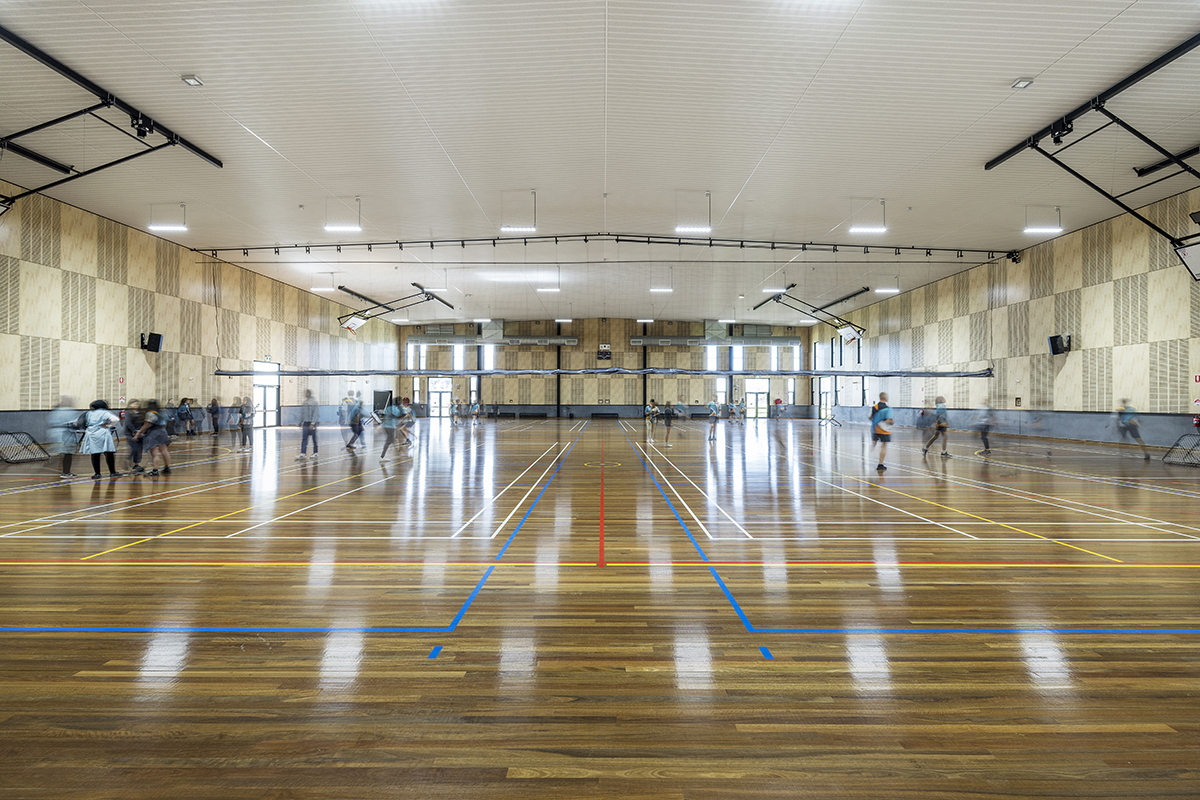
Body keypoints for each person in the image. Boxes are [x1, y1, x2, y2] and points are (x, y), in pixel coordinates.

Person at [80, 399, 122, 479]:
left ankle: (97, 473)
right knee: (109, 453)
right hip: (102, 432)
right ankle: (112, 472)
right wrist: (108, 425)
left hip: (91, 433)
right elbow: (115, 419)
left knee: (95, 454)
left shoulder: (89, 413)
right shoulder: (104, 412)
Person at [133, 399, 172, 476]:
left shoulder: (150, 413)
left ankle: (155, 470)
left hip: (154, 432)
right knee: (164, 450)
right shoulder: (162, 412)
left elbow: (148, 424)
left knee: (154, 452)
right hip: (163, 431)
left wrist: (139, 432)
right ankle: (167, 467)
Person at [46, 396, 80, 479]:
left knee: (61, 453)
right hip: (66, 434)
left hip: (54, 433)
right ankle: (66, 472)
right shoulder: (71, 411)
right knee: (68, 454)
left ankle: (61, 469)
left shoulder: (55, 411)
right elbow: (75, 423)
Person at [869, 391, 895, 472]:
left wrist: (876, 421)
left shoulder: (874, 407)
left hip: (874, 428)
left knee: (874, 442)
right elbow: (889, 420)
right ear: (885, 398)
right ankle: (880, 464)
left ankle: (867, 455)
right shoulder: (887, 408)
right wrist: (891, 422)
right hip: (883, 429)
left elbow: (870, 417)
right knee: (883, 446)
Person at [296, 389, 320, 460]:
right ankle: (303, 453)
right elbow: (302, 413)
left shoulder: (314, 402)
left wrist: (313, 423)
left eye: (306, 393)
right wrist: (300, 421)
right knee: (304, 438)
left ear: (309, 394)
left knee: (314, 438)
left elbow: (316, 414)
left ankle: (315, 452)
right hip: (306, 422)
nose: (305, 394)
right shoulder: (304, 403)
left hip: (312, 423)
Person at [124, 399, 146, 473]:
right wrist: (134, 431)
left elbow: (144, 422)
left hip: (140, 433)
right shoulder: (128, 412)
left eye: (137, 404)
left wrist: (141, 431)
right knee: (135, 448)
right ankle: (127, 460)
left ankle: (136, 464)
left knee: (139, 449)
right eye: (134, 404)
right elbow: (128, 423)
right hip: (130, 433)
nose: (136, 405)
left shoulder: (141, 413)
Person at [379, 395, 402, 460]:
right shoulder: (396, 409)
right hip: (391, 427)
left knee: (392, 440)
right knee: (389, 441)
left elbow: (384, 415)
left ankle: (397, 452)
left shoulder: (388, 408)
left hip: (386, 426)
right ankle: (382, 456)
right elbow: (397, 417)